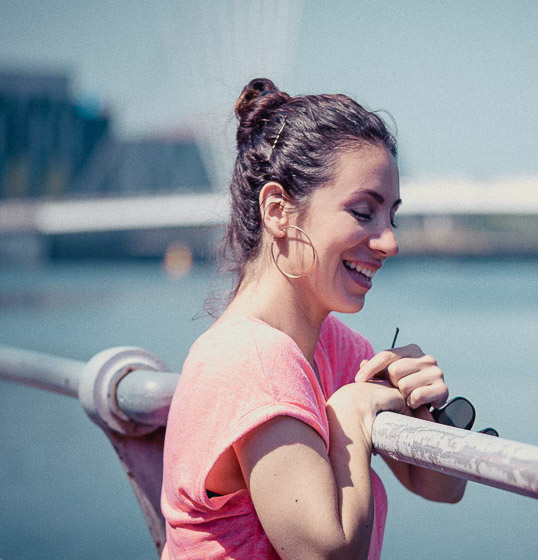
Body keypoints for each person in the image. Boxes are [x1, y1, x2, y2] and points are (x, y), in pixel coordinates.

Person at [160, 78, 466, 560]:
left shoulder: (333, 347)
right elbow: (328, 554)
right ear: (279, 211)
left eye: (392, 218)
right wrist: (352, 413)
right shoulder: (254, 359)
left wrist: (426, 408)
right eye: (364, 212)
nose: (390, 243)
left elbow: (442, 488)